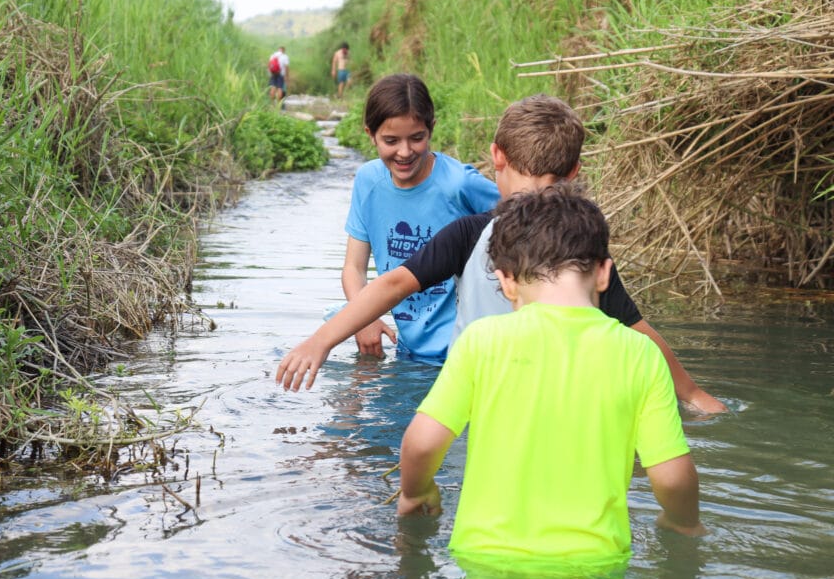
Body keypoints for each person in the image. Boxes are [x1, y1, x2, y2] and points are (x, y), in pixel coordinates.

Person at [275, 93, 728, 416]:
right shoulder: (582, 246)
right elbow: (636, 329)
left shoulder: (471, 233)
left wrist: (320, 341)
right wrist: (692, 395)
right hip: (559, 407)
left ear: (496, 158)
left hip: (477, 407)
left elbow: (392, 284)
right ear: (574, 171)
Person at [397, 183, 707, 560]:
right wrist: (683, 523)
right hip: (593, 568)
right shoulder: (639, 354)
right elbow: (673, 479)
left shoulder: (481, 341)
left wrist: (416, 492)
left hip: (485, 562)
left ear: (506, 281)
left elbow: (421, 443)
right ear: (604, 273)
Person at [339, 73, 501, 361]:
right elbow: (354, 267)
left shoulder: (459, 184)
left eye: (417, 138)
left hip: (462, 351)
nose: (404, 152)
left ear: (432, 130)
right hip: (407, 348)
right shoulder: (368, 181)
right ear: (370, 134)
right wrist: (362, 318)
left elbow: (525, 214)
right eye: (391, 140)